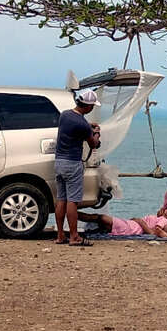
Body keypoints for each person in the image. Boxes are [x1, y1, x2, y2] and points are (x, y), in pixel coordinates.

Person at [54, 89, 101, 246]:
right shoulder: (83, 125)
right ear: (89, 107)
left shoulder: (65, 114)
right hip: (72, 163)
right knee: (72, 201)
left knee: (61, 198)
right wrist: (96, 133)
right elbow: (93, 144)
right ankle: (74, 237)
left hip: (59, 162)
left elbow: (75, 124)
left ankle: (60, 235)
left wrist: (88, 126)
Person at [77, 204, 167, 237]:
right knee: (100, 220)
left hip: (133, 227)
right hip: (132, 225)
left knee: (101, 218)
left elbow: (154, 231)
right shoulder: (160, 218)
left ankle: (74, 214)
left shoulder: (164, 221)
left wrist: (140, 222)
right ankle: (73, 214)